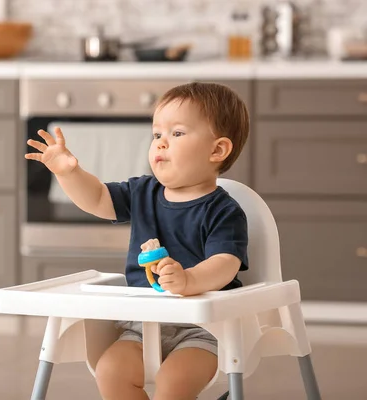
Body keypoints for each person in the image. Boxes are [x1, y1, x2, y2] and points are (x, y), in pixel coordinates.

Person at [25, 82, 250, 400]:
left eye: (177, 134)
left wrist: (188, 280)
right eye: (157, 134)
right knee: (110, 371)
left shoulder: (224, 210)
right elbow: (99, 199)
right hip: (142, 324)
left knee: (173, 383)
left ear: (217, 150)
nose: (161, 143)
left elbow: (225, 264)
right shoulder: (142, 191)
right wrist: (69, 173)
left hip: (203, 328)